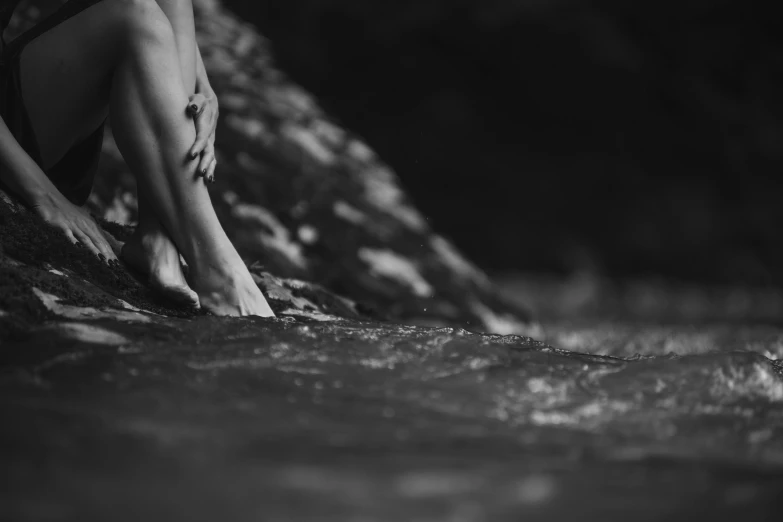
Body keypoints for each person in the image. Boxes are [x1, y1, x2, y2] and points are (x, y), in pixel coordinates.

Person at [0, 0, 275, 317]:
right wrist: (43, 195)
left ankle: (158, 233)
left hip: (34, 115)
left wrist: (203, 86)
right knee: (134, 16)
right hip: (16, 142)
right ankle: (219, 271)